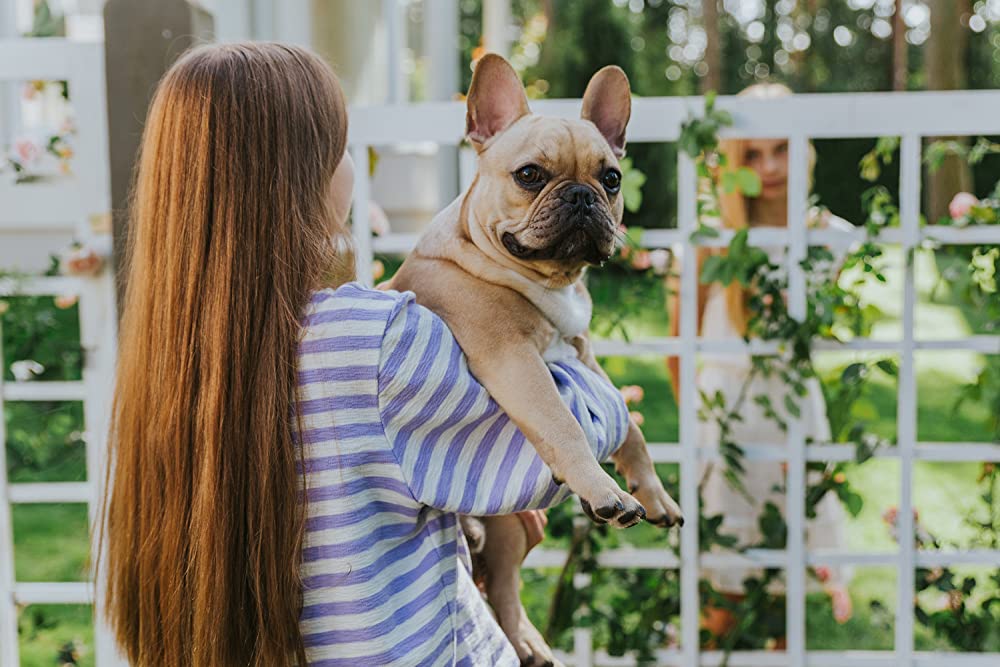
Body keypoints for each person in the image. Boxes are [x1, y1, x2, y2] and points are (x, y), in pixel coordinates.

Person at [99, 43, 629, 666]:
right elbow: (548, 459)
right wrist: (575, 354)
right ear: (301, 174)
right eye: (342, 148)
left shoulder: (169, 359)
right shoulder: (377, 341)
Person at [667, 83, 853, 644]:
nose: (770, 166)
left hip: (797, 417)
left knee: (787, 594)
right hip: (724, 422)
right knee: (722, 599)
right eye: (753, 154)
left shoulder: (832, 239)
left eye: (782, 149)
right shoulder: (709, 238)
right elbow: (679, 348)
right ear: (733, 162)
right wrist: (703, 433)